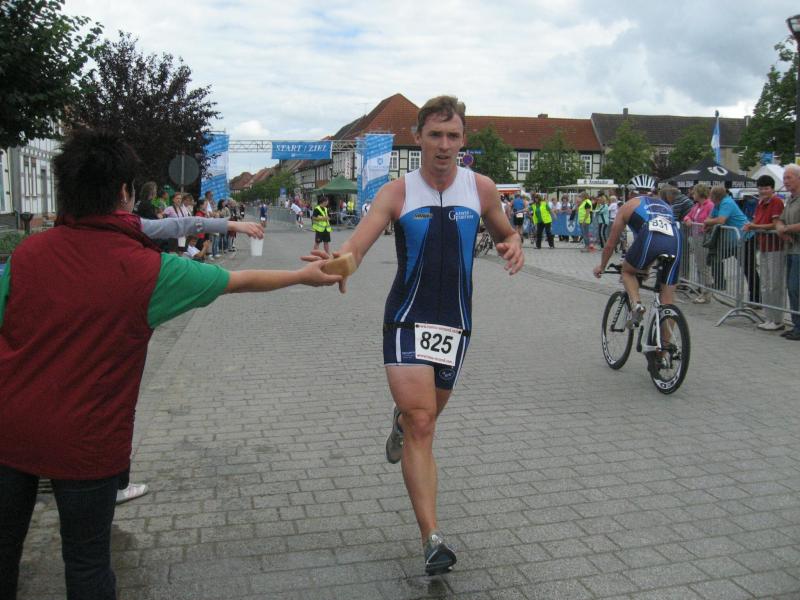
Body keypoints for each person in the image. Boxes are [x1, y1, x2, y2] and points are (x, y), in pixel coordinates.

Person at [0, 128, 342, 600]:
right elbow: (237, 281)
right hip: (86, 441)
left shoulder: (26, 255)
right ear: (125, 192)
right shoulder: (149, 270)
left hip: (10, 430)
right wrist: (302, 276)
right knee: (86, 563)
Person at [307, 96, 523, 576]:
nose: (444, 145)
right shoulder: (397, 193)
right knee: (423, 423)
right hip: (407, 318)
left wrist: (513, 245)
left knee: (424, 419)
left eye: (453, 136)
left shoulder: (481, 188)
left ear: (463, 140)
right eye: (435, 135)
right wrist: (339, 263)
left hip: (456, 324)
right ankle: (432, 538)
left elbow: (506, 232)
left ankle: (400, 423)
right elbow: (356, 247)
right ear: (418, 137)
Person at [593, 190, 681, 324]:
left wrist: (602, 266)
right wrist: (645, 268)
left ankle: (637, 306)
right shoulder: (664, 205)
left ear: (631, 195)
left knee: (627, 272)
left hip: (650, 235)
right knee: (667, 302)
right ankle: (668, 337)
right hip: (676, 239)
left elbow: (611, 243)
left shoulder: (628, 206)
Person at [743, 175, 785, 331]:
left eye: (766, 188)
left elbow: (774, 225)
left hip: (775, 248)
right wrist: (753, 225)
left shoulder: (776, 202)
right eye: (761, 188)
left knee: (775, 284)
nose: (763, 191)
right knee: (766, 284)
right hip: (764, 247)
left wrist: (754, 227)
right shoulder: (760, 203)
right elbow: (758, 221)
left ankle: (777, 319)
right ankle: (769, 317)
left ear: (772, 189)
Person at [704, 185, 759, 303]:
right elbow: (711, 218)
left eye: (711, 195)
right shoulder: (717, 204)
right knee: (714, 256)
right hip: (733, 241)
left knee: (749, 269)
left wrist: (708, 222)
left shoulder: (727, 202)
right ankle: (719, 282)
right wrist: (709, 222)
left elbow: (720, 220)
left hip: (745, 238)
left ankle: (756, 299)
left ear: (714, 196)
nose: (710, 197)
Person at [775, 164, 800, 340]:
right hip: (791, 250)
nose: (785, 181)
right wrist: (780, 229)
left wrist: (786, 229)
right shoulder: (791, 199)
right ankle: (796, 324)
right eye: (784, 178)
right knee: (792, 289)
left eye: (789, 177)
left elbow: (786, 225)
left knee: (794, 288)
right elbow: (780, 220)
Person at [683, 184, 715, 304]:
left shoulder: (709, 205)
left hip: (704, 238)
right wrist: (688, 220)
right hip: (696, 237)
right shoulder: (697, 206)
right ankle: (704, 291)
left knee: (703, 266)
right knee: (700, 265)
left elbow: (711, 220)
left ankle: (706, 293)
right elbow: (688, 216)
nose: (692, 194)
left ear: (700, 193)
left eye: (694, 192)